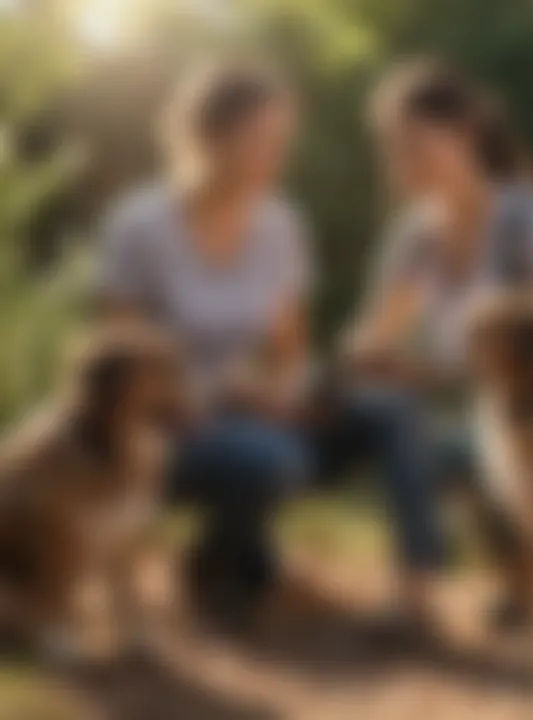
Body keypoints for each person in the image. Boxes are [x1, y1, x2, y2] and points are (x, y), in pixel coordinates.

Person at [343, 59, 533, 629]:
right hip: (462, 421)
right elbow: (373, 333)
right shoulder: (414, 233)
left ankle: (532, 579)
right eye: (391, 149)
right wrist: (363, 355)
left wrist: (429, 373)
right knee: (395, 416)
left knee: (458, 432)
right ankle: (419, 593)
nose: (401, 164)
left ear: (467, 133)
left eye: (415, 145)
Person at [98, 61, 314, 612]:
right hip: (157, 425)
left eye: (280, 141)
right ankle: (221, 566)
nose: (276, 155)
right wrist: (190, 401)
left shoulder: (280, 225)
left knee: (342, 424)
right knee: (270, 458)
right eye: (260, 140)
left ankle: (228, 558)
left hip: (241, 413)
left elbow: (289, 350)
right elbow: (112, 364)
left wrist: (282, 394)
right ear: (208, 137)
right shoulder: (139, 224)